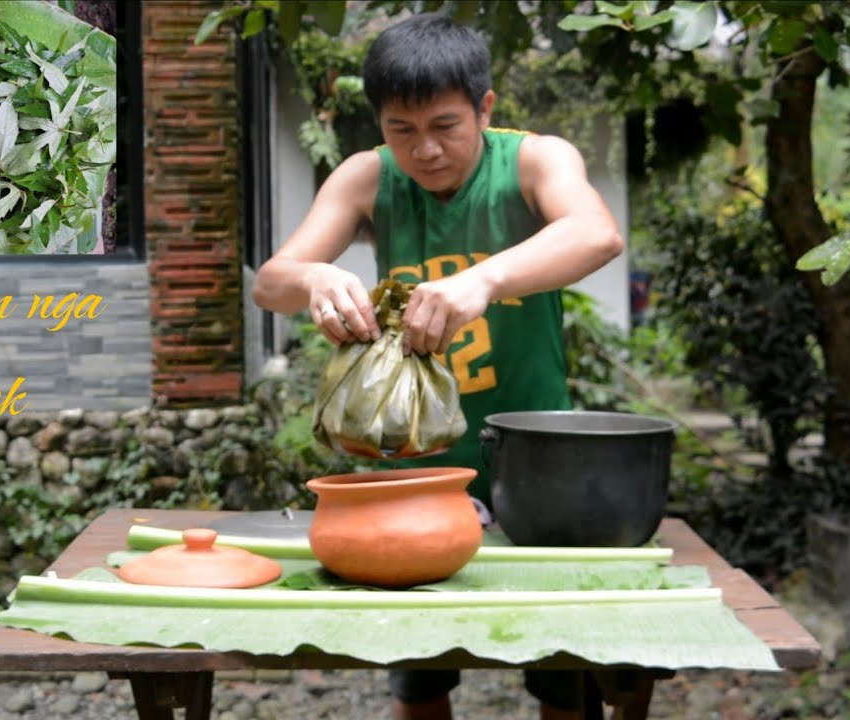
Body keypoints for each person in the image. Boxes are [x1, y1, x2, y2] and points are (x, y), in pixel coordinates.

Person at [252, 12, 624, 720]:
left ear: (484, 107)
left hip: (533, 467)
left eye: (446, 126)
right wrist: (315, 283)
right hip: (416, 472)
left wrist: (482, 281)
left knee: (565, 681)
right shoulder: (367, 178)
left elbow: (596, 234)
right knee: (419, 683)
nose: (424, 151)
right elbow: (272, 280)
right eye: (402, 129)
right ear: (380, 125)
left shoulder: (535, 161)